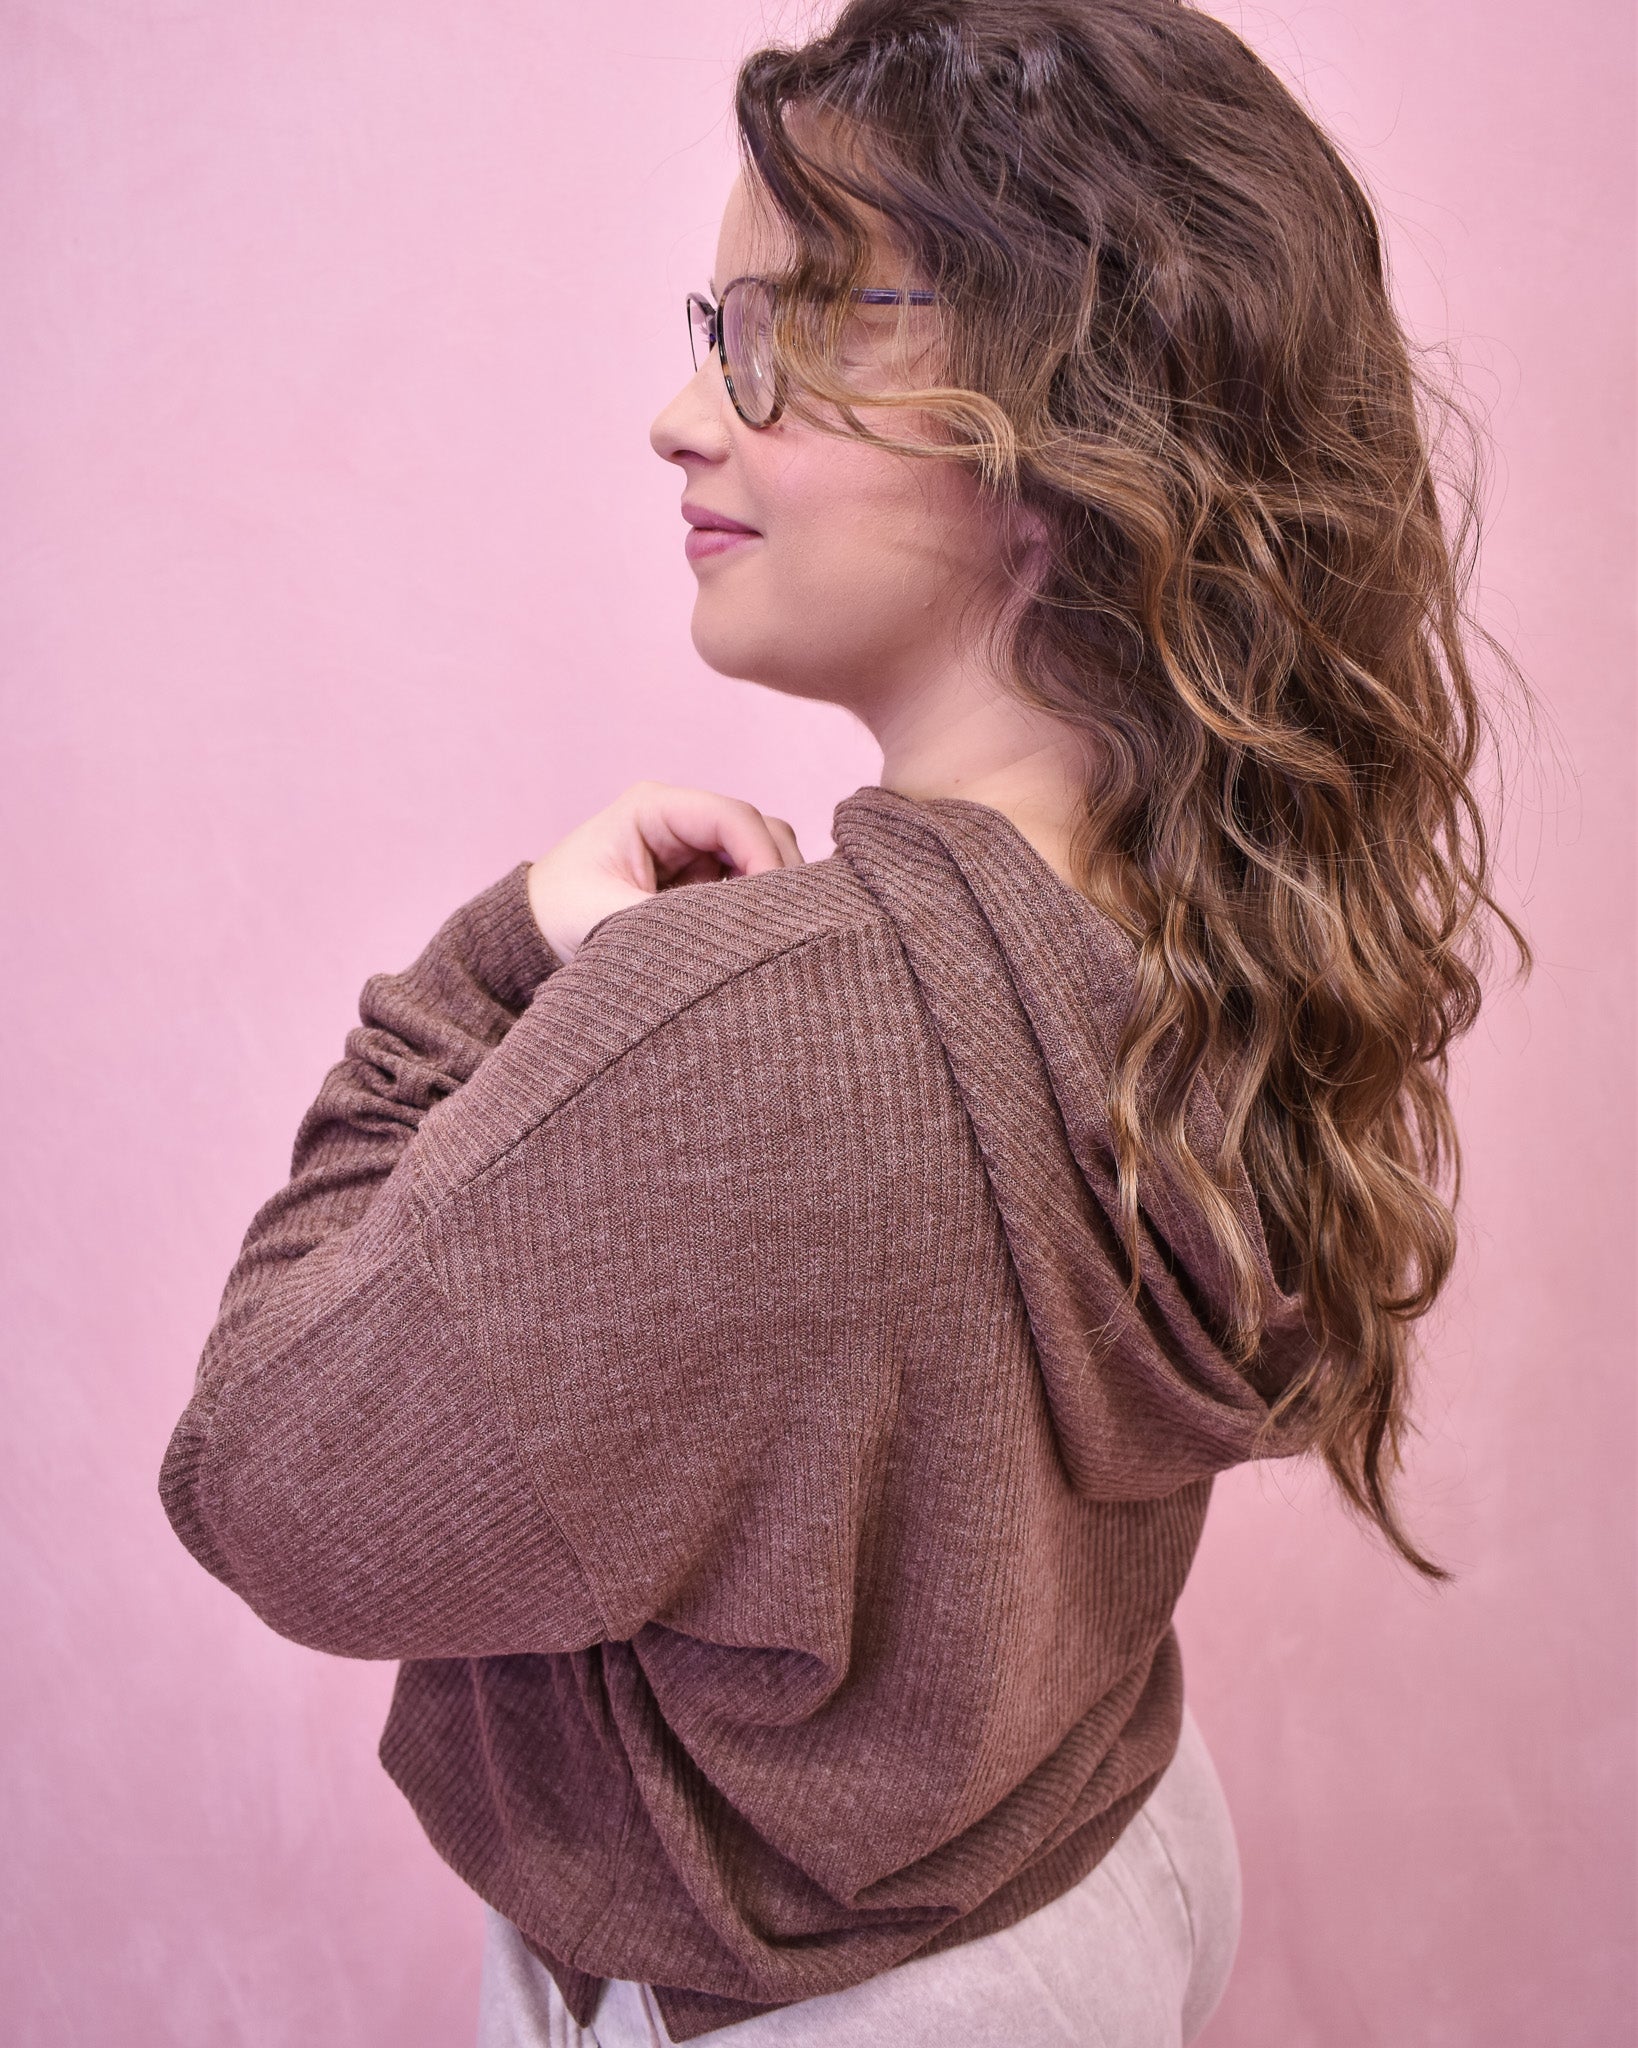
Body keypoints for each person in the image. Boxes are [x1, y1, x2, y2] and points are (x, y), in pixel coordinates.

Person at [158, 2, 1531, 2042]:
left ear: (1069, 423)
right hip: (1100, 1876)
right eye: (713, 325)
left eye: (789, 325)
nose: (679, 416)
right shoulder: (1217, 929)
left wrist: (494, 967)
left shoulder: (756, 1037)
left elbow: (265, 1482)